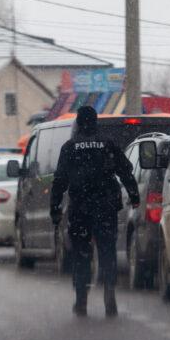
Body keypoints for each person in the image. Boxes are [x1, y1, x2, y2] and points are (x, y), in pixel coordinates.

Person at [50, 106, 140, 318]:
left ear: (79, 123)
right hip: (105, 207)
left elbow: (59, 181)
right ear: (96, 122)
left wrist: (54, 208)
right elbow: (125, 171)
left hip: (80, 208)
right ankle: (109, 292)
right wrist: (134, 195)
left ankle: (81, 299)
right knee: (107, 251)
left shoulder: (70, 147)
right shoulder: (108, 144)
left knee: (81, 254)